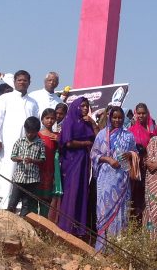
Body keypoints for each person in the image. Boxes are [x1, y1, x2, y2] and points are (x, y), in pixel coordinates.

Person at [0, 70, 38, 209]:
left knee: (21, 175)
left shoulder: (33, 103)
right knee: (4, 172)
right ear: (15, 81)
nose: (22, 82)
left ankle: (16, 206)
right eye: (19, 80)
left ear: (29, 82)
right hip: (6, 144)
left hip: (25, 146)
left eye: (25, 80)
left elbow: (35, 124)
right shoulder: (5, 98)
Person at [91, 106, 137, 252]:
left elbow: (133, 153)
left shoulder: (128, 135)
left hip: (122, 179)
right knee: (104, 211)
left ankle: (117, 249)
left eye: (120, 118)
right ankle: (102, 248)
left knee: (121, 212)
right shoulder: (102, 135)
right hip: (105, 178)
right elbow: (93, 154)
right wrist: (108, 160)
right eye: (114, 117)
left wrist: (128, 156)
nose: (117, 120)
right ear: (110, 118)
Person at [58, 96, 99, 237]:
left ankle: (79, 229)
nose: (85, 108)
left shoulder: (87, 122)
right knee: (72, 191)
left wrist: (93, 123)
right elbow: (68, 142)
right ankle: (67, 227)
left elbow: (98, 139)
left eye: (87, 106)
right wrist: (85, 144)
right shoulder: (69, 122)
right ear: (76, 106)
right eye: (82, 106)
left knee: (82, 191)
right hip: (72, 161)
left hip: (83, 161)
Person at [7, 116, 46, 217]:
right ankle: (7, 219)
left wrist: (32, 160)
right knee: (13, 201)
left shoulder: (40, 143)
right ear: (25, 129)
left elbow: (42, 159)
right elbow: (13, 157)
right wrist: (20, 159)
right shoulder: (19, 142)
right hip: (19, 177)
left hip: (32, 180)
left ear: (37, 131)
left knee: (26, 204)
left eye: (33, 132)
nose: (30, 134)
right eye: (28, 131)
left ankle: (22, 223)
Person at [128, 102, 156, 220]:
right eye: (138, 113)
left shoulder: (154, 131)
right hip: (135, 168)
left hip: (149, 168)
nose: (140, 116)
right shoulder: (130, 131)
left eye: (143, 113)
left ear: (147, 114)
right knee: (134, 196)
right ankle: (133, 223)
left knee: (147, 196)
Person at [38, 105, 66, 220]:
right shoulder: (38, 135)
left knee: (49, 198)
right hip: (40, 168)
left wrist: (60, 142)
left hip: (52, 170)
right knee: (37, 195)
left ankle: (46, 222)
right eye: (47, 118)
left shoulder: (58, 135)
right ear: (42, 119)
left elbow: (64, 151)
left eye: (52, 118)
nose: (50, 120)